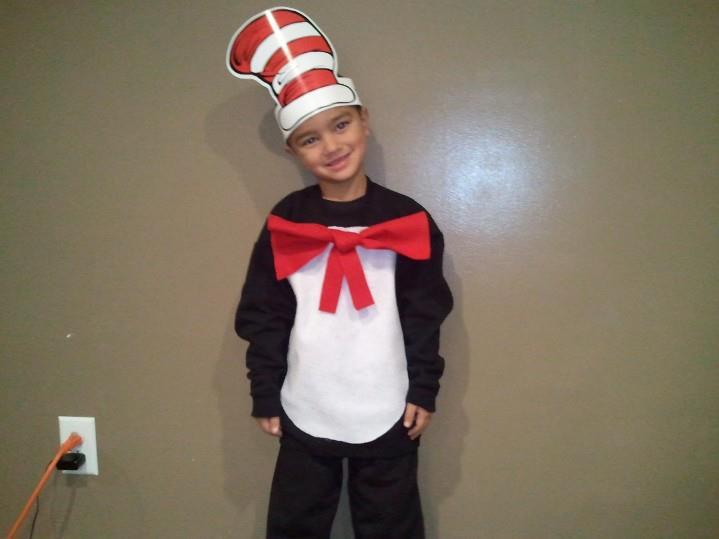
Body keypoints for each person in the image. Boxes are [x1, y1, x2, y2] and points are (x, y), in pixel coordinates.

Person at [227, 7, 453, 538]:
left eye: (341, 125)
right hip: (306, 403)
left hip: (389, 403)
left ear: (364, 120)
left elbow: (425, 311)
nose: (331, 146)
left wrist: (424, 387)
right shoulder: (286, 221)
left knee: (392, 526)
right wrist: (265, 390)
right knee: (295, 525)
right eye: (310, 138)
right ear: (292, 149)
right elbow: (264, 312)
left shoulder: (408, 219)